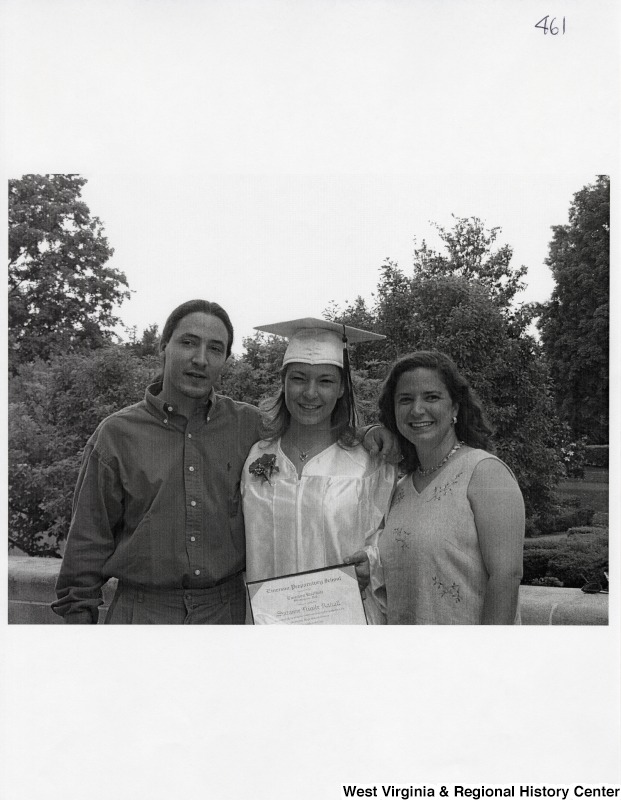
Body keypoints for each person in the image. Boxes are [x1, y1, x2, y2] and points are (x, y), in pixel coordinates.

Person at [53, 299, 261, 624]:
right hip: (141, 614)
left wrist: (369, 434)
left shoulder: (251, 427)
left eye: (215, 349)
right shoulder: (116, 435)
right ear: (163, 346)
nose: (200, 359)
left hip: (225, 614)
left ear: (227, 360)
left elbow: (315, 437)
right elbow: (88, 540)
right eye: (188, 342)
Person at [241, 318, 397, 624]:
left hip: (345, 623)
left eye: (325, 381)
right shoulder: (257, 456)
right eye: (299, 378)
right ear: (283, 382)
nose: (310, 393)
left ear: (341, 389)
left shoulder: (368, 462)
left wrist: (373, 562)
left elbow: (393, 535)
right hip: (271, 624)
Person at [375, 351, 525, 625]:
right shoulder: (399, 488)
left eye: (431, 397)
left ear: (455, 407)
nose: (417, 409)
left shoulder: (485, 473)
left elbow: (506, 576)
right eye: (405, 399)